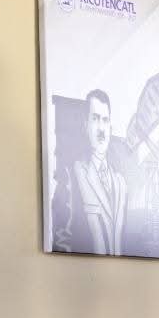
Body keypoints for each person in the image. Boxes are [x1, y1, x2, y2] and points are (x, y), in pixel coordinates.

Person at [52, 88, 127, 255]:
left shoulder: (120, 183)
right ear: (86, 126)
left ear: (111, 127)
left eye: (105, 120)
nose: (101, 128)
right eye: (95, 119)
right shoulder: (72, 174)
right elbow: (61, 240)